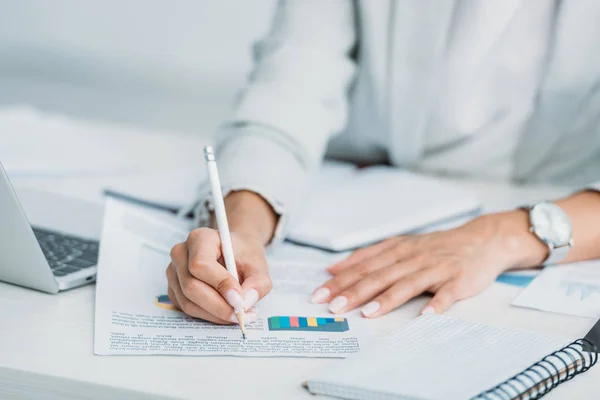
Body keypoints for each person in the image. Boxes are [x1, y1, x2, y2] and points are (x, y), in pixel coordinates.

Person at [166, 1, 600, 325]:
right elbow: (290, 86)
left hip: (564, 218)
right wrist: (242, 225)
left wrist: (505, 234)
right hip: (354, 196)